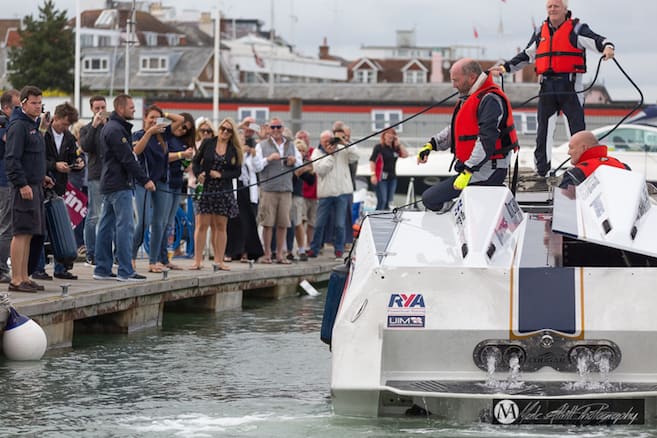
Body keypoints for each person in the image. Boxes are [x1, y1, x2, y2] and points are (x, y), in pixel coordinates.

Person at [489, 0, 615, 177]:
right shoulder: (541, 31)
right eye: (549, 7)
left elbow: (599, 41)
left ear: (565, 9)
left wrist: (608, 48)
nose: (552, 9)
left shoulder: (577, 29)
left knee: (578, 131)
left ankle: (584, 168)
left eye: (556, 6)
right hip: (547, 86)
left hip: (570, 86)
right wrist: (505, 68)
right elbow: (527, 55)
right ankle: (542, 170)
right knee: (543, 130)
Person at [418, 58, 519, 213]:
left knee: (429, 199)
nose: (453, 85)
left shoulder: (490, 100)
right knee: (434, 197)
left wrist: (468, 171)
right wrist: (431, 145)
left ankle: (451, 215)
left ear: (472, 78)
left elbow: (486, 140)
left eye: (456, 80)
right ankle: (457, 214)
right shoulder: (471, 98)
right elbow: (457, 129)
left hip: (488, 171)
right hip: (475, 170)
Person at [93, 94, 155, 282]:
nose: (134, 110)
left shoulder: (112, 127)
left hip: (110, 182)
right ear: (120, 109)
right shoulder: (115, 130)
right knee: (125, 227)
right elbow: (127, 158)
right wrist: (145, 180)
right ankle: (125, 270)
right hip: (119, 184)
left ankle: (102, 268)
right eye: (131, 107)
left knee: (106, 226)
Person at [5, 85, 54, 292]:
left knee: (30, 233)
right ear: (23, 103)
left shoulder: (32, 125)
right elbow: (13, 159)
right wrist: (22, 183)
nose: (37, 107)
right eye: (33, 103)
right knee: (21, 232)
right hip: (23, 188)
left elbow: (32, 155)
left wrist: (40, 176)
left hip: (35, 185)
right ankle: (16, 279)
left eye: (40, 103)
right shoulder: (18, 126)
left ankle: (24, 276)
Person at [131, 106, 185, 273]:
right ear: (144, 118)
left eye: (157, 118)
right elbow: (136, 151)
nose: (154, 121)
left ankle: (153, 261)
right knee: (144, 221)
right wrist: (149, 131)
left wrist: (164, 115)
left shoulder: (164, 135)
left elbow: (181, 120)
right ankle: (130, 256)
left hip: (162, 182)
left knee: (159, 223)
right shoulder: (138, 135)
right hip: (143, 182)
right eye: (151, 117)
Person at [190, 117, 242, 271]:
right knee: (201, 225)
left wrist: (221, 175)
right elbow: (195, 162)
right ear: (218, 129)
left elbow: (237, 172)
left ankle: (219, 261)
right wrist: (199, 173)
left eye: (228, 130)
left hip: (223, 189)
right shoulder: (208, 143)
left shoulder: (234, 149)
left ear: (232, 133)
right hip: (206, 188)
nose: (225, 132)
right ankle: (197, 261)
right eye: (222, 128)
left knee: (220, 226)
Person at [43, 101, 84, 280]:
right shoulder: (44, 134)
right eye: (64, 123)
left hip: (60, 187)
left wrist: (79, 163)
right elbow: (37, 159)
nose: (66, 127)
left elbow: (75, 155)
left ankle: (61, 268)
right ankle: (38, 268)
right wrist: (54, 165)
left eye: (68, 125)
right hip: (43, 184)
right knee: (41, 231)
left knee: (60, 228)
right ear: (56, 118)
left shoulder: (68, 137)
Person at [253, 117, 302, 264]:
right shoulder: (261, 146)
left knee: (283, 223)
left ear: (282, 128)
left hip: (286, 189)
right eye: (273, 127)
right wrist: (268, 159)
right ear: (268, 129)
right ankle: (267, 254)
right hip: (268, 189)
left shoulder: (292, 145)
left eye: (278, 127)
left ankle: (280, 255)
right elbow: (256, 167)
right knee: (267, 223)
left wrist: (294, 161)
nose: (275, 130)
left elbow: (300, 163)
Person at [306, 128, 359, 260]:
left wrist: (345, 142)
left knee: (340, 224)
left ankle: (339, 250)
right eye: (324, 141)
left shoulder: (342, 149)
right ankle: (315, 249)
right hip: (325, 194)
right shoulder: (317, 153)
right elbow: (320, 170)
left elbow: (355, 156)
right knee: (319, 223)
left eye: (328, 140)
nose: (326, 143)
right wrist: (330, 155)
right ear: (320, 141)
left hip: (342, 192)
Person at [79, 95, 109, 266]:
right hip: (96, 174)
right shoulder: (86, 128)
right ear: (91, 109)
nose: (100, 111)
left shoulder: (112, 126)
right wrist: (95, 126)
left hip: (113, 176)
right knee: (94, 215)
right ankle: (91, 252)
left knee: (111, 216)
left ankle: (108, 252)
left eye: (102, 107)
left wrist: (107, 126)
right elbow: (86, 146)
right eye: (97, 108)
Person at [559, 130, 629, 189]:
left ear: (584, 148)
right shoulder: (623, 167)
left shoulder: (575, 173)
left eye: (571, 148)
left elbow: (563, 201)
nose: (568, 152)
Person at [0, 89, 20, 284]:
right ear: (6, 108)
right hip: (4, 181)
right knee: (6, 226)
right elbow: (11, 140)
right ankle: (1, 268)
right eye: (16, 107)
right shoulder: (3, 122)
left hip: (6, 180)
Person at [369, 127, 408, 210]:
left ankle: (385, 218)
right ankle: (377, 217)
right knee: (382, 200)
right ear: (384, 136)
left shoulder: (395, 148)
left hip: (392, 177)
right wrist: (373, 174)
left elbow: (405, 155)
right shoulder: (379, 147)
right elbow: (372, 161)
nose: (390, 136)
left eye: (392, 134)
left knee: (389, 201)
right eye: (388, 134)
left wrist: (399, 144)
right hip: (381, 178)